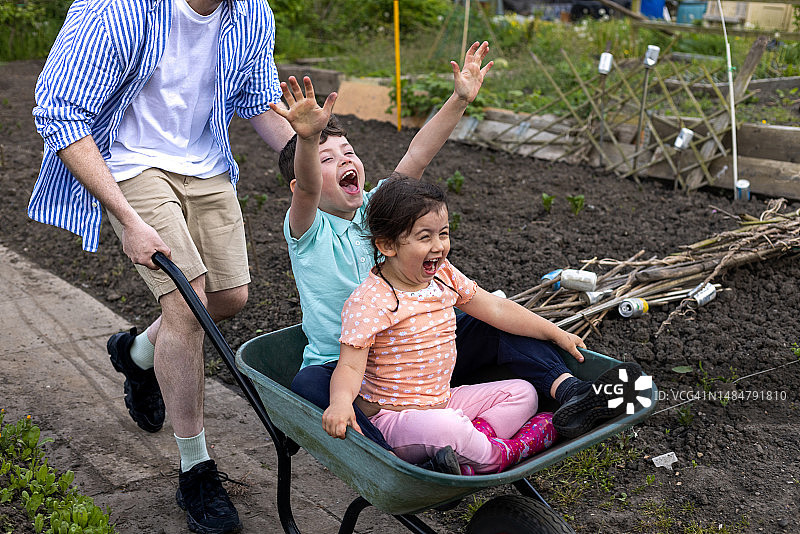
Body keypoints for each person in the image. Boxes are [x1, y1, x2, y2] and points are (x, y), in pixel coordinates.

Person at [273, 41, 639, 463]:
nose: (343, 160)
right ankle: (399, 455)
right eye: (326, 157)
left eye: (349, 152)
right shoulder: (308, 229)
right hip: (348, 367)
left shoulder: (380, 211)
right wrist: (308, 138)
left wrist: (459, 100)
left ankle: (572, 394)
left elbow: (418, 153)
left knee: (492, 321)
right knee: (309, 387)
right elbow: (310, 185)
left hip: (416, 358)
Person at [28, 1, 294, 532]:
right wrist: (125, 218)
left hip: (204, 161)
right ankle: (196, 468)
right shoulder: (118, 10)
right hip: (130, 161)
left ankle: (135, 355)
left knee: (229, 297)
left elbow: (255, 96)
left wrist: (312, 146)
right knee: (187, 303)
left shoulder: (250, 11)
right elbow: (58, 110)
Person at [324, 176, 566, 474]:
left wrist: (555, 332)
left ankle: (467, 455)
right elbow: (348, 367)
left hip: (443, 401)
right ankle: (501, 455)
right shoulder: (370, 302)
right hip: (394, 419)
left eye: (444, 233)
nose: (438, 246)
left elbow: (496, 307)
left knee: (522, 392)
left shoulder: (444, 277)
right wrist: (339, 403)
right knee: (448, 427)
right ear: (387, 245)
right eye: (425, 237)